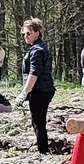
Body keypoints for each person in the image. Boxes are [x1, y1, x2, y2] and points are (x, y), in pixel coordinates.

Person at [19, 18, 56, 153]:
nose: (25, 36)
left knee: (38, 122)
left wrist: (24, 93)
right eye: (24, 34)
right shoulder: (38, 48)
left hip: (40, 90)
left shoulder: (37, 50)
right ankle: (43, 148)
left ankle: (43, 150)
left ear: (37, 33)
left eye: (28, 33)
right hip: (43, 89)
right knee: (39, 120)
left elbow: (34, 73)